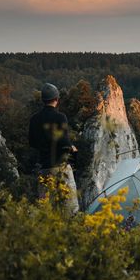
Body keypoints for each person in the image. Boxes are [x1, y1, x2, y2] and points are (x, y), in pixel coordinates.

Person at [29, 83, 79, 214]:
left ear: (43, 100)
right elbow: (64, 142)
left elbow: (32, 142)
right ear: (57, 99)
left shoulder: (34, 119)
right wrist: (72, 148)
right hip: (60, 167)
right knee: (70, 208)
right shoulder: (60, 117)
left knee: (46, 210)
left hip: (44, 168)